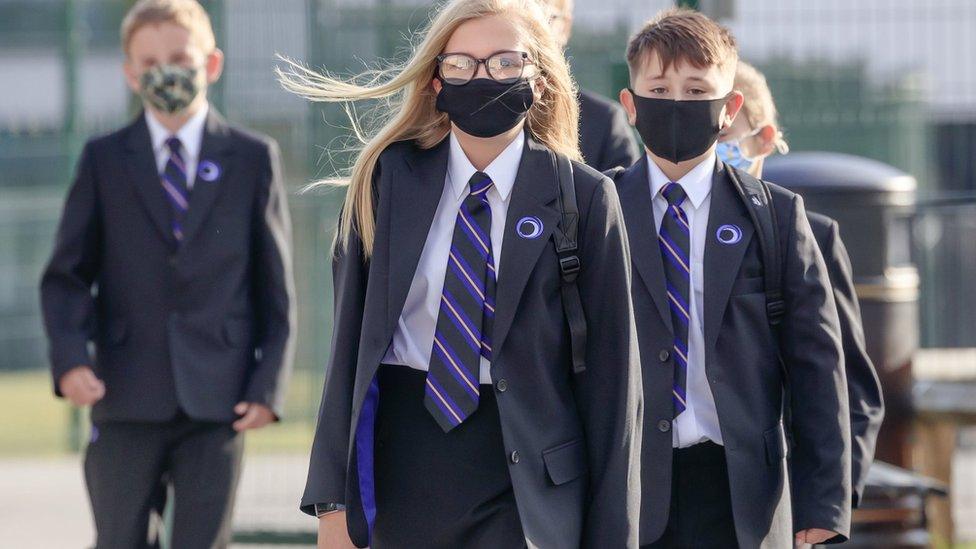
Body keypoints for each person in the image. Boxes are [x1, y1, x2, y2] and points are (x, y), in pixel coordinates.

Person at [278, 0, 642, 547]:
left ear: (539, 79)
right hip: (403, 461)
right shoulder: (387, 179)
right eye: (461, 65)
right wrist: (333, 500)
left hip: (526, 476)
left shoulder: (585, 197)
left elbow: (616, 383)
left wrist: (613, 534)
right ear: (435, 82)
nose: (482, 77)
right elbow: (350, 347)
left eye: (503, 63)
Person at [39, 1, 296, 546]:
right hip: (125, 392)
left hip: (218, 396)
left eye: (180, 56)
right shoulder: (104, 160)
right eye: (149, 61)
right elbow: (66, 275)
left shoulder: (253, 159)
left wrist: (268, 383)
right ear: (131, 73)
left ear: (212, 63)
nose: (166, 71)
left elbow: (275, 286)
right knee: (119, 537)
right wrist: (68, 361)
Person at [610, 9, 852, 547]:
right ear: (630, 105)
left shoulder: (776, 216)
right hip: (624, 489)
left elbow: (818, 365)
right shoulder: (595, 210)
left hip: (742, 495)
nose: (677, 102)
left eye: (698, 89)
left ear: (729, 108)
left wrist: (822, 502)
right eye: (659, 87)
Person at [718, 60, 885, 511]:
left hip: (781, 494)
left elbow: (851, 389)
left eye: (724, 138)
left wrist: (826, 503)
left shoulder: (811, 235)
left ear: (764, 139)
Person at [543, 0, 640, 171]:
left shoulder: (605, 122)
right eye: (524, 17)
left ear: (565, 26)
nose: (533, 30)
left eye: (545, 17)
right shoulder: (488, 111)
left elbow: (626, 195)